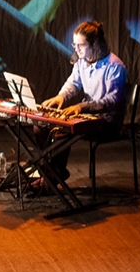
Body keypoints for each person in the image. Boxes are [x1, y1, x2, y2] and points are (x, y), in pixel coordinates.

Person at [35, 20, 128, 188]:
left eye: (81, 45)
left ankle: (51, 178)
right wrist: (61, 96)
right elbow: (74, 83)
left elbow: (112, 100)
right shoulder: (82, 62)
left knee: (61, 131)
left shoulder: (115, 66)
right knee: (40, 127)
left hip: (106, 122)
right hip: (88, 116)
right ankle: (51, 174)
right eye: (74, 44)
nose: (76, 49)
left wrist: (81, 107)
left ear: (95, 44)